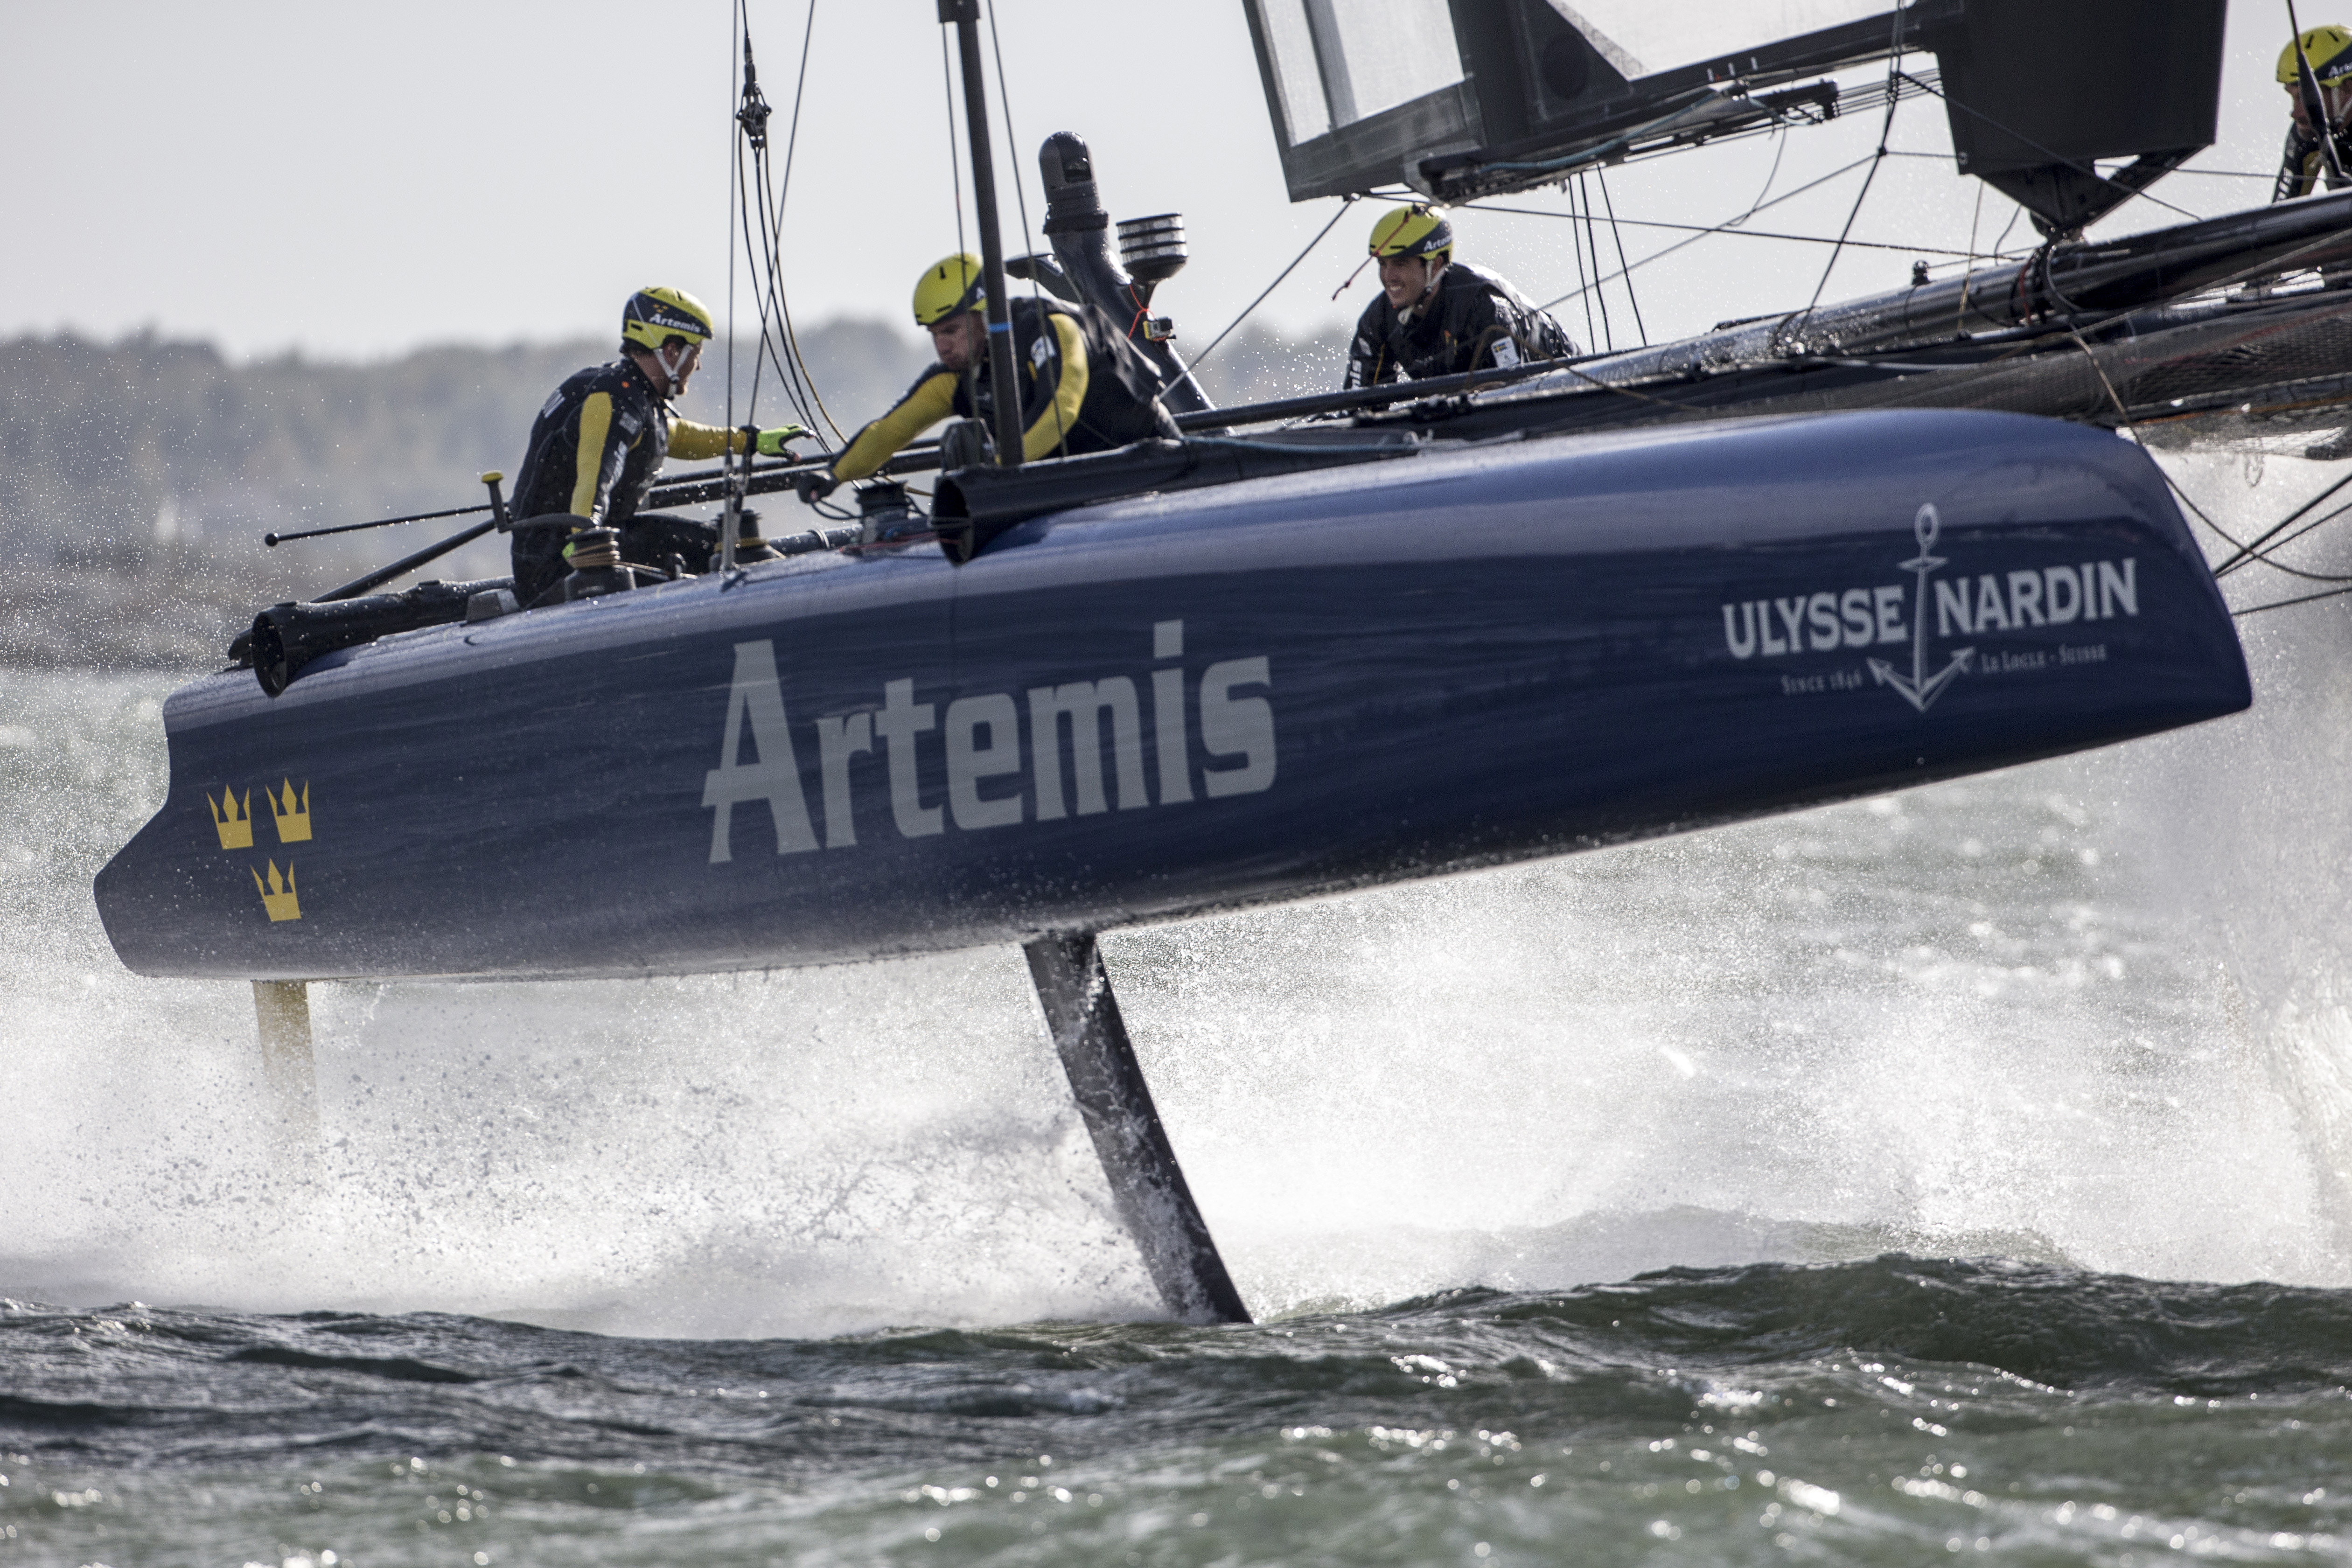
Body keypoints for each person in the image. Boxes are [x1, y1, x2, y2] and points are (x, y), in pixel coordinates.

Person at [508, 287, 806, 606]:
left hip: (594, 543)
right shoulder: (612, 401)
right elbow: (593, 482)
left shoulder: (631, 393)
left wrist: (750, 441)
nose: (698, 365)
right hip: (559, 566)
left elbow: (673, 436)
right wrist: (584, 542)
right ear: (672, 351)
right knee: (715, 552)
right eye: (696, 352)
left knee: (722, 544)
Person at [796, 253, 1179, 499]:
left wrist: (995, 467)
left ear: (983, 313)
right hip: (1078, 490)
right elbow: (891, 430)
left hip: (1155, 467)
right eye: (934, 335)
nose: (941, 346)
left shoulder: (1051, 330)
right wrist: (833, 475)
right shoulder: (957, 376)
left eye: (950, 331)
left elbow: (1060, 409)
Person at [1342, 204, 1577, 390]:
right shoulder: (1378, 319)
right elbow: (1359, 407)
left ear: (1436, 265)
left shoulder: (1485, 306)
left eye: (1400, 264)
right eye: (1383, 265)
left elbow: (1513, 395)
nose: (1388, 277)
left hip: (1568, 381)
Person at [2274, 26, 2352, 201]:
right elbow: (2283, 210)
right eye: (2293, 97)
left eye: (2307, 97)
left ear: (2348, 89)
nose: (2295, 113)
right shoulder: (2308, 130)